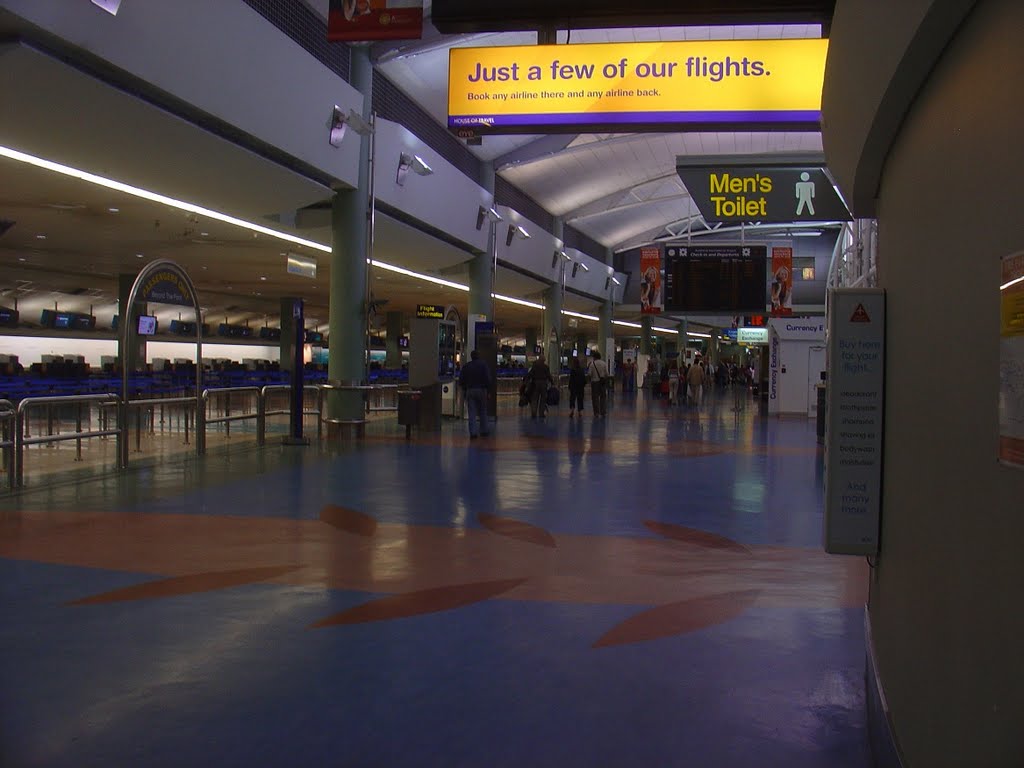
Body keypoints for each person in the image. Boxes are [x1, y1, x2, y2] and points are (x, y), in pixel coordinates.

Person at [458, 349, 491, 438]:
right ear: (478, 356)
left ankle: (473, 433)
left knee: (471, 412)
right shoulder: (483, 365)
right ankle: (484, 431)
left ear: (471, 357)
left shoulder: (466, 366)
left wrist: (465, 390)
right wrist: (488, 390)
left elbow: (461, 380)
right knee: (482, 411)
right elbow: (487, 378)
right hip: (481, 390)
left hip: (470, 390)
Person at [526, 354, 554, 419]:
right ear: (544, 360)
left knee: (534, 398)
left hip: (535, 383)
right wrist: (552, 383)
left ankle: (534, 412)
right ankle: (541, 413)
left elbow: (530, 374)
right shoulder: (546, 367)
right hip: (544, 383)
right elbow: (549, 376)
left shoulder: (535, 366)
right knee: (543, 399)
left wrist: (526, 382)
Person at [586, 350, 609, 417]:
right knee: (603, 397)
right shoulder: (604, 363)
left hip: (595, 383)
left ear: (594, 357)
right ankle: (603, 411)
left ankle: (596, 413)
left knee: (595, 398)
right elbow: (607, 374)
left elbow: (589, 374)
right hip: (602, 383)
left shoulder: (592, 364)